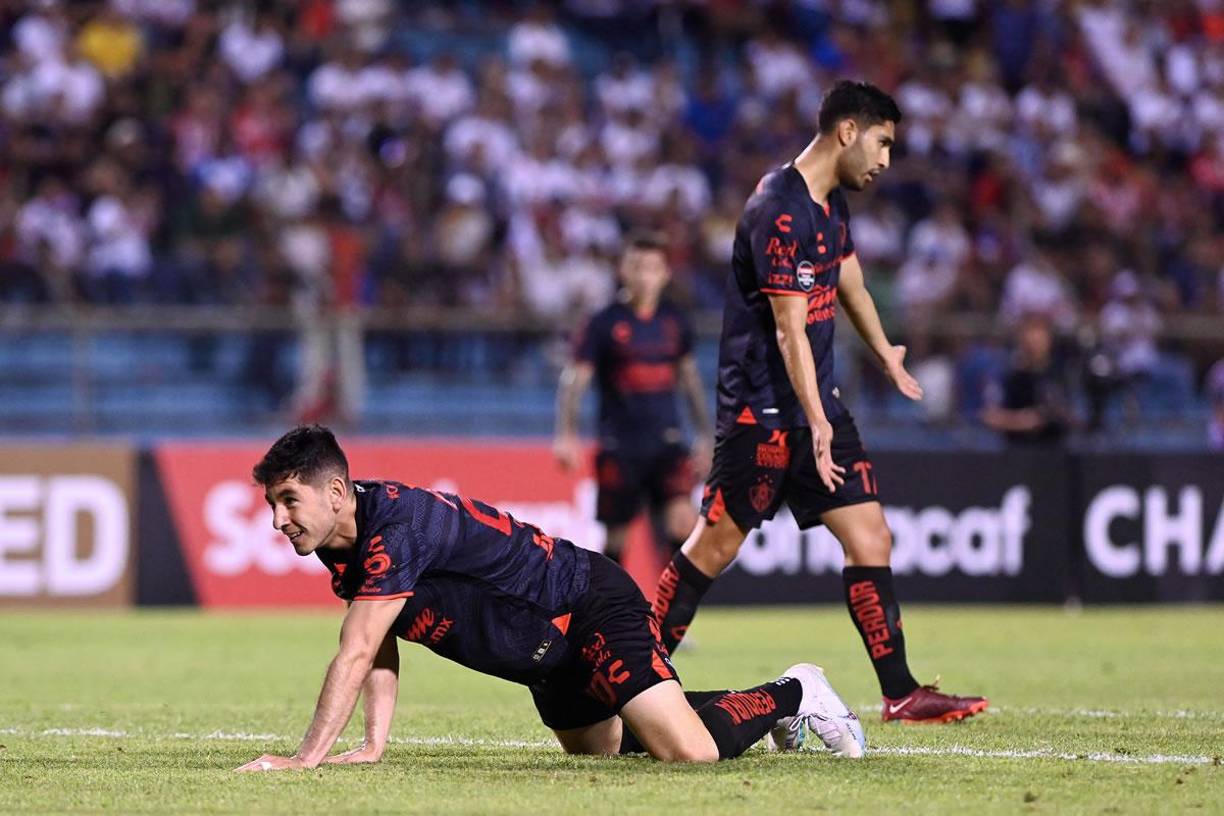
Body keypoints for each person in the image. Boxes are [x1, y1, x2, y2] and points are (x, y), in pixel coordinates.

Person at [649, 80, 988, 723]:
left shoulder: (829, 205)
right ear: (848, 132)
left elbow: (850, 279)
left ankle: (901, 693)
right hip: (761, 416)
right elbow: (788, 329)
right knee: (712, 548)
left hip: (815, 408)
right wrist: (815, 419)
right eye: (883, 143)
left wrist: (885, 351)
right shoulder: (779, 209)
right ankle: (631, 676)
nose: (887, 160)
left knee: (870, 535)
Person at [235, 425, 865, 772]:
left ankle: (797, 690)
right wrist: (372, 743)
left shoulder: (396, 525)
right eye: (272, 504)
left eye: (290, 500)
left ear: (338, 491)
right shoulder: (340, 545)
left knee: (688, 751)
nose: (279, 519)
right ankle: (686, 702)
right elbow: (379, 643)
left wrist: (304, 761)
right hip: (543, 653)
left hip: (582, 603)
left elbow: (358, 648)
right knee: (607, 745)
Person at [554, 234, 713, 565]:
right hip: (620, 445)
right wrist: (566, 433)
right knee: (616, 539)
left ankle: (673, 615)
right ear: (623, 270)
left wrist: (705, 435)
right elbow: (575, 381)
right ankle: (611, 614)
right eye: (637, 267)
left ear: (666, 273)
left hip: (667, 442)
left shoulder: (674, 321)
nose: (645, 276)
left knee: (683, 524)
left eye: (653, 268)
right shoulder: (604, 323)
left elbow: (689, 380)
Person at [981, 312, 1075, 447]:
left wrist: (1047, 416)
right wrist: (1021, 421)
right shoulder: (1008, 374)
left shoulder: (1061, 374)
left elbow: (1070, 416)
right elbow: (989, 416)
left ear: (1049, 339)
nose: (1034, 341)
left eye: (1040, 334)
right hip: (1015, 452)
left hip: (1054, 451)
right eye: (1029, 333)